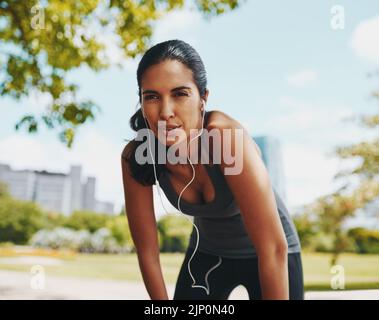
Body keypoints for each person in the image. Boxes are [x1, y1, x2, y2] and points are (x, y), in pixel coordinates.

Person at [121, 39, 304, 300]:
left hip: (271, 252)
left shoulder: (224, 137)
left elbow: (272, 248)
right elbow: (147, 251)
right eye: (151, 97)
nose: (165, 112)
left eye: (180, 94)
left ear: (203, 98)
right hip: (208, 255)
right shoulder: (137, 156)